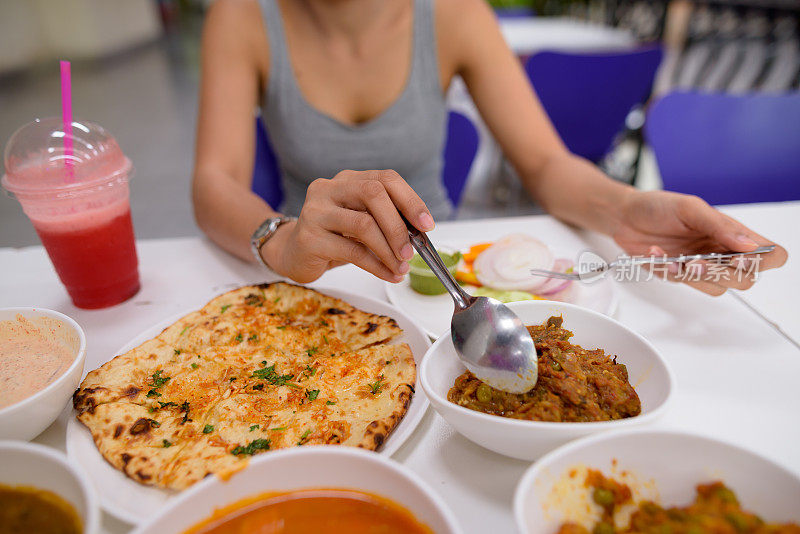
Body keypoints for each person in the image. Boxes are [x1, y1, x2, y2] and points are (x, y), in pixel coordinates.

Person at [192, 0, 786, 295]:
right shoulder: (242, 17)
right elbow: (214, 180)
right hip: (312, 280)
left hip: (439, 280)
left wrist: (628, 210)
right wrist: (280, 238)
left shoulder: (453, 13)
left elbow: (545, 164)